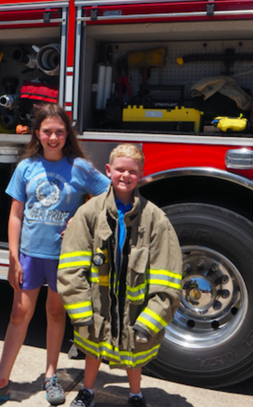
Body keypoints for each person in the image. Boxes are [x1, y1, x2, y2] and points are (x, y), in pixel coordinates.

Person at [0, 103, 110, 407]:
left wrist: (82, 214)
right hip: (30, 255)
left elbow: (108, 194)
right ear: (37, 134)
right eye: (47, 132)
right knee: (19, 315)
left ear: (68, 133)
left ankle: (51, 375)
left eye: (59, 131)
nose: (53, 137)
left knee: (56, 314)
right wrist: (13, 258)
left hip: (65, 257)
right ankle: (0, 383)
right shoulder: (26, 167)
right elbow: (15, 215)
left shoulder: (79, 167)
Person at [57, 143, 182, 407]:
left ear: (141, 173)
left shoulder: (155, 219)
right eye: (120, 170)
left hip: (135, 310)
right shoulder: (89, 213)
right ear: (108, 170)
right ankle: (87, 391)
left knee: (133, 353)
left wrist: (149, 321)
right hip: (96, 304)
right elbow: (71, 268)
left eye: (132, 171)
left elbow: (168, 278)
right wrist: (81, 314)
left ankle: (135, 395)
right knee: (92, 349)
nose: (125, 176)